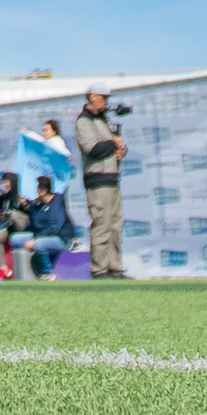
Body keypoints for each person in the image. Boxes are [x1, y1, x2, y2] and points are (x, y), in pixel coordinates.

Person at [76, 90, 127, 278]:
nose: (106, 102)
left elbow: (111, 145)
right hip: (97, 182)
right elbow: (93, 149)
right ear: (92, 97)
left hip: (112, 180)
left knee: (115, 226)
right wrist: (114, 144)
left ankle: (115, 268)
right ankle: (99, 270)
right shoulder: (83, 121)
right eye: (103, 98)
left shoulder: (103, 120)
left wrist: (121, 150)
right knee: (102, 225)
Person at [28, 175, 76, 279]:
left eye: (37, 189)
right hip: (44, 236)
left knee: (39, 244)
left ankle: (48, 273)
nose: (36, 192)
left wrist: (35, 239)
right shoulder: (38, 205)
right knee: (15, 239)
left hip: (62, 239)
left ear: (43, 191)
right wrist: (31, 207)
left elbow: (55, 228)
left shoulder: (57, 203)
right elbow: (34, 224)